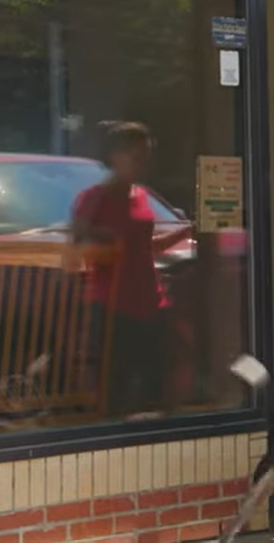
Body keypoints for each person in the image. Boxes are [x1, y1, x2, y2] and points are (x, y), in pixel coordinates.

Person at [71, 121, 192, 419]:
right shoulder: (93, 199)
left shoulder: (140, 196)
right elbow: (78, 247)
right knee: (114, 392)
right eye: (137, 157)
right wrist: (104, 244)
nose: (144, 164)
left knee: (155, 387)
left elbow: (144, 247)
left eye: (147, 157)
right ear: (116, 157)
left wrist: (190, 230)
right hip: (114, 306)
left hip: (151, 302)